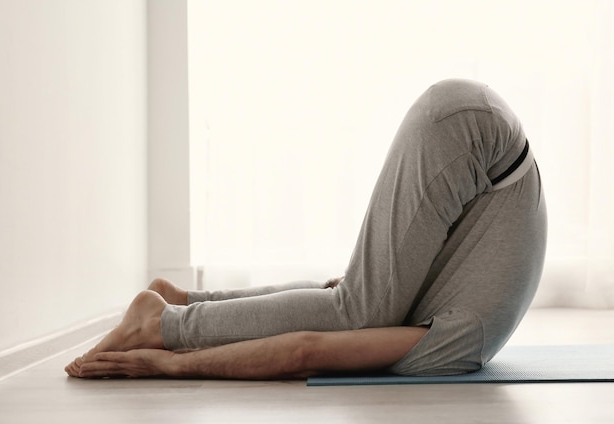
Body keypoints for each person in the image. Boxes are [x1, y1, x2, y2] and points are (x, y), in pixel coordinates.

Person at [65, 79, 547, 379]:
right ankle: (158, 321)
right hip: (475, 139)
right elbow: (310, 348)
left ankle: (178, 302)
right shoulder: (454, 348)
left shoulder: (454, 335)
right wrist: (170, 355)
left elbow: (312, 334)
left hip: (477, 135)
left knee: (355, 302)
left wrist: (171, 358)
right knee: (359, 311)